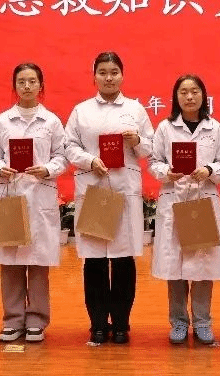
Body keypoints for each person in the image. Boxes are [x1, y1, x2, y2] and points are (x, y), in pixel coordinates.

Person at [64, 51, 153, 345]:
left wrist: (136, 140)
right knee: (95, 261)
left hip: (124, 189)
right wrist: (90, 161)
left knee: (124, 260)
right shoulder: (82, 111)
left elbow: (150, 148)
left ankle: (122, 323)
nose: (109, 78)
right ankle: (98, 323)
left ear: (122, 75)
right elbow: (69, 146)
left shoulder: (135, 109)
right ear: (94, 77)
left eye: (114, 72)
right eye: (102, 72)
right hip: (94, 189)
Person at [0, 63, 68, 344]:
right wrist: (0, 168)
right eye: (21, 81)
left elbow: (62, 156)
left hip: (40, 194)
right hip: (11, 193)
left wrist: (47, 169)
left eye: (32, 81)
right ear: (15, 86)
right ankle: (12, 319)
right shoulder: (3, 121)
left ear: (41, 85)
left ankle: (37, 319)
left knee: (38, 261)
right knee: (10, 261)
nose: (27, 86)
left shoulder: (51, 121)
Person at [149, 74, 220, 345]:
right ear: (176, 97)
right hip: (174, 201)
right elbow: (154, 161)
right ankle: (179, 322)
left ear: (203, 96)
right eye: (183, 92)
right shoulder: (165, 128)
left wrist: (209, 170)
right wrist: (166, 172)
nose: (189, 96)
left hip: (202, 201)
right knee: (175, 268)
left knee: (203, 266)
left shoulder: (215, 128)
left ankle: (203, 321)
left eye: (194, 91)